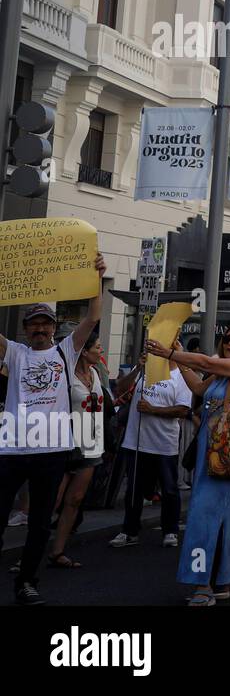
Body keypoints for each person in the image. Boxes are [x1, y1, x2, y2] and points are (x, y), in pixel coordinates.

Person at [0, 253, 108, 605]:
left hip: (50, 452)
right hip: (13, 449)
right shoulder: (14, 353)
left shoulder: (66, 351)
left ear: (53, 326)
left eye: (46, 324)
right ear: (26, 328)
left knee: (39, 524)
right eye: (34, 324)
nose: (40, 329)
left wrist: (97, 278)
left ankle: (27, 582)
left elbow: (93, 316)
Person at [146, 321, 230, 605]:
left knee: (202, 518)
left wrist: (169, 355)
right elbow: (197, 385)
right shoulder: (222, 372)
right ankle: (221, 582)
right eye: (227, 338)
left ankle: (201, 586)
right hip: (212, 454)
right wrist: (180, 355)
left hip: (225, 456)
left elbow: (205, 361)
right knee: (221, 519)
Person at [108, 349, 192, 549]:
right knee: (134, 490)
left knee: (169, 489)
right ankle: (129, 531)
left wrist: (153, 410)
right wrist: (138, 367)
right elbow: (120, 389)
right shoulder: (144, 371)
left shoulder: (180, 376)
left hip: (164, 444)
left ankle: (170, 530)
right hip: (136, 442)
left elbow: (182, 409)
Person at [45, 336, 109, 569]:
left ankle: (57, 551)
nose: (101, 349)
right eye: (97, 346)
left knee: (75, 500)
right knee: (52, 500)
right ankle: (29, 553)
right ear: (83, 351)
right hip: (64, 444)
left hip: (91, 443)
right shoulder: (65, 374)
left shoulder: (97, 372)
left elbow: (111, 398)